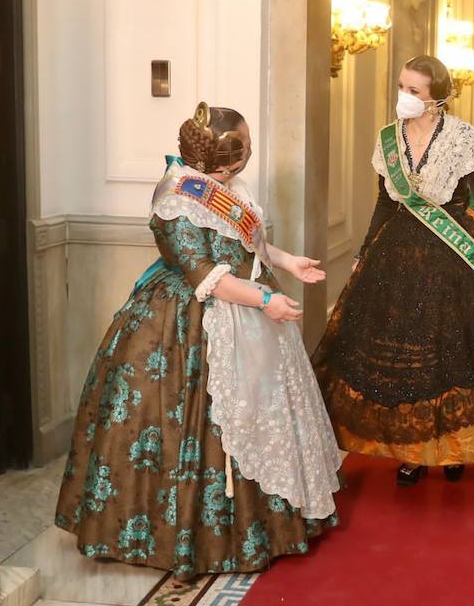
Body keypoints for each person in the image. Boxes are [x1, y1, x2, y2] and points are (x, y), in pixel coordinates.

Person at [55, 104, 341, 578]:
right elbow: (206, 276)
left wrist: (287, 263)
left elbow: (246, 241)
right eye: (246, 146)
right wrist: (265, 299)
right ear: (226, 161)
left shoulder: (220, 185)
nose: (251, 153)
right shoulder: (176, 200)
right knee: (198, 424)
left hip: (247, 302)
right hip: (192, 322)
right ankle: (192, 539)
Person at [314, 55, 474, 487]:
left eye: (413, 91)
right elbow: (384, 202)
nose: (403, 97)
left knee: (452, 354)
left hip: (452, 258)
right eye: (402, 87)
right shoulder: (387, 139)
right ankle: (412, 451)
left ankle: (452, 446)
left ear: (437, 98)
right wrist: (362, 253)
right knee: (404, 359)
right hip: (397, 257)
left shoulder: (463, 138)